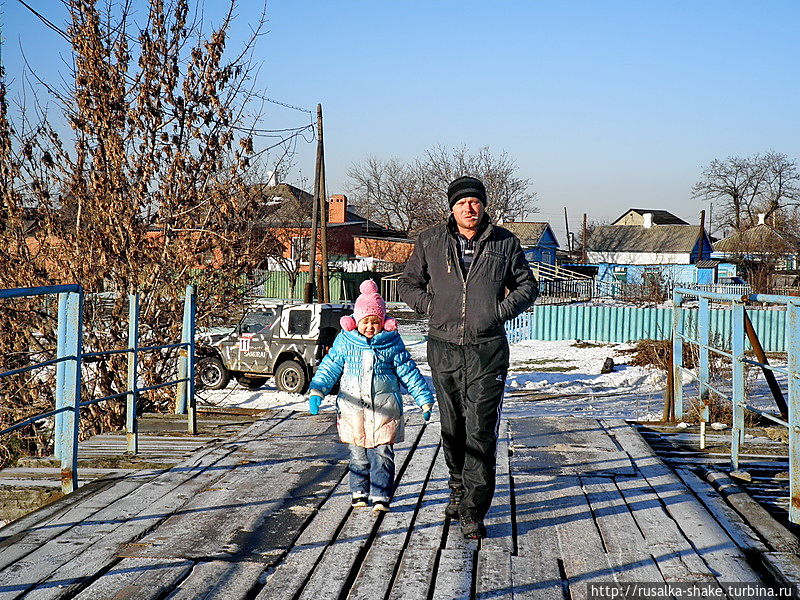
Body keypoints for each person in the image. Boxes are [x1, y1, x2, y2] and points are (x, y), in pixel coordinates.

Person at [398, 175, 537, 538]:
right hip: (443, 346)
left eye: (474, 202)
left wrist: (497, 311)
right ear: (452, 208)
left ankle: (473, 509)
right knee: (452, 426)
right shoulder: (431, 240)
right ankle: (457, 487)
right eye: (461, 203)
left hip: (487, 348)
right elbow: (407, 283)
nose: (469, 208)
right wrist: (432, 308)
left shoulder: (505, 242)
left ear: (484, 205)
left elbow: (527, 286)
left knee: (480, 429)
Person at [307, 279, 434, 513]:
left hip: (385, 410)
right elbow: (330, 366)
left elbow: (409, 372)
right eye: (366, 322)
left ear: (383, 322)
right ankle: (359, 492)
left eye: (375, 322)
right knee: (358, 456)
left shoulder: (392, 344)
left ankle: (381, 495)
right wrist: (317, 390)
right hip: (352, 411)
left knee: (383, 455)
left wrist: (424, 399)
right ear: (356, 321)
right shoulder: (346, 342)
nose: (370, 327)